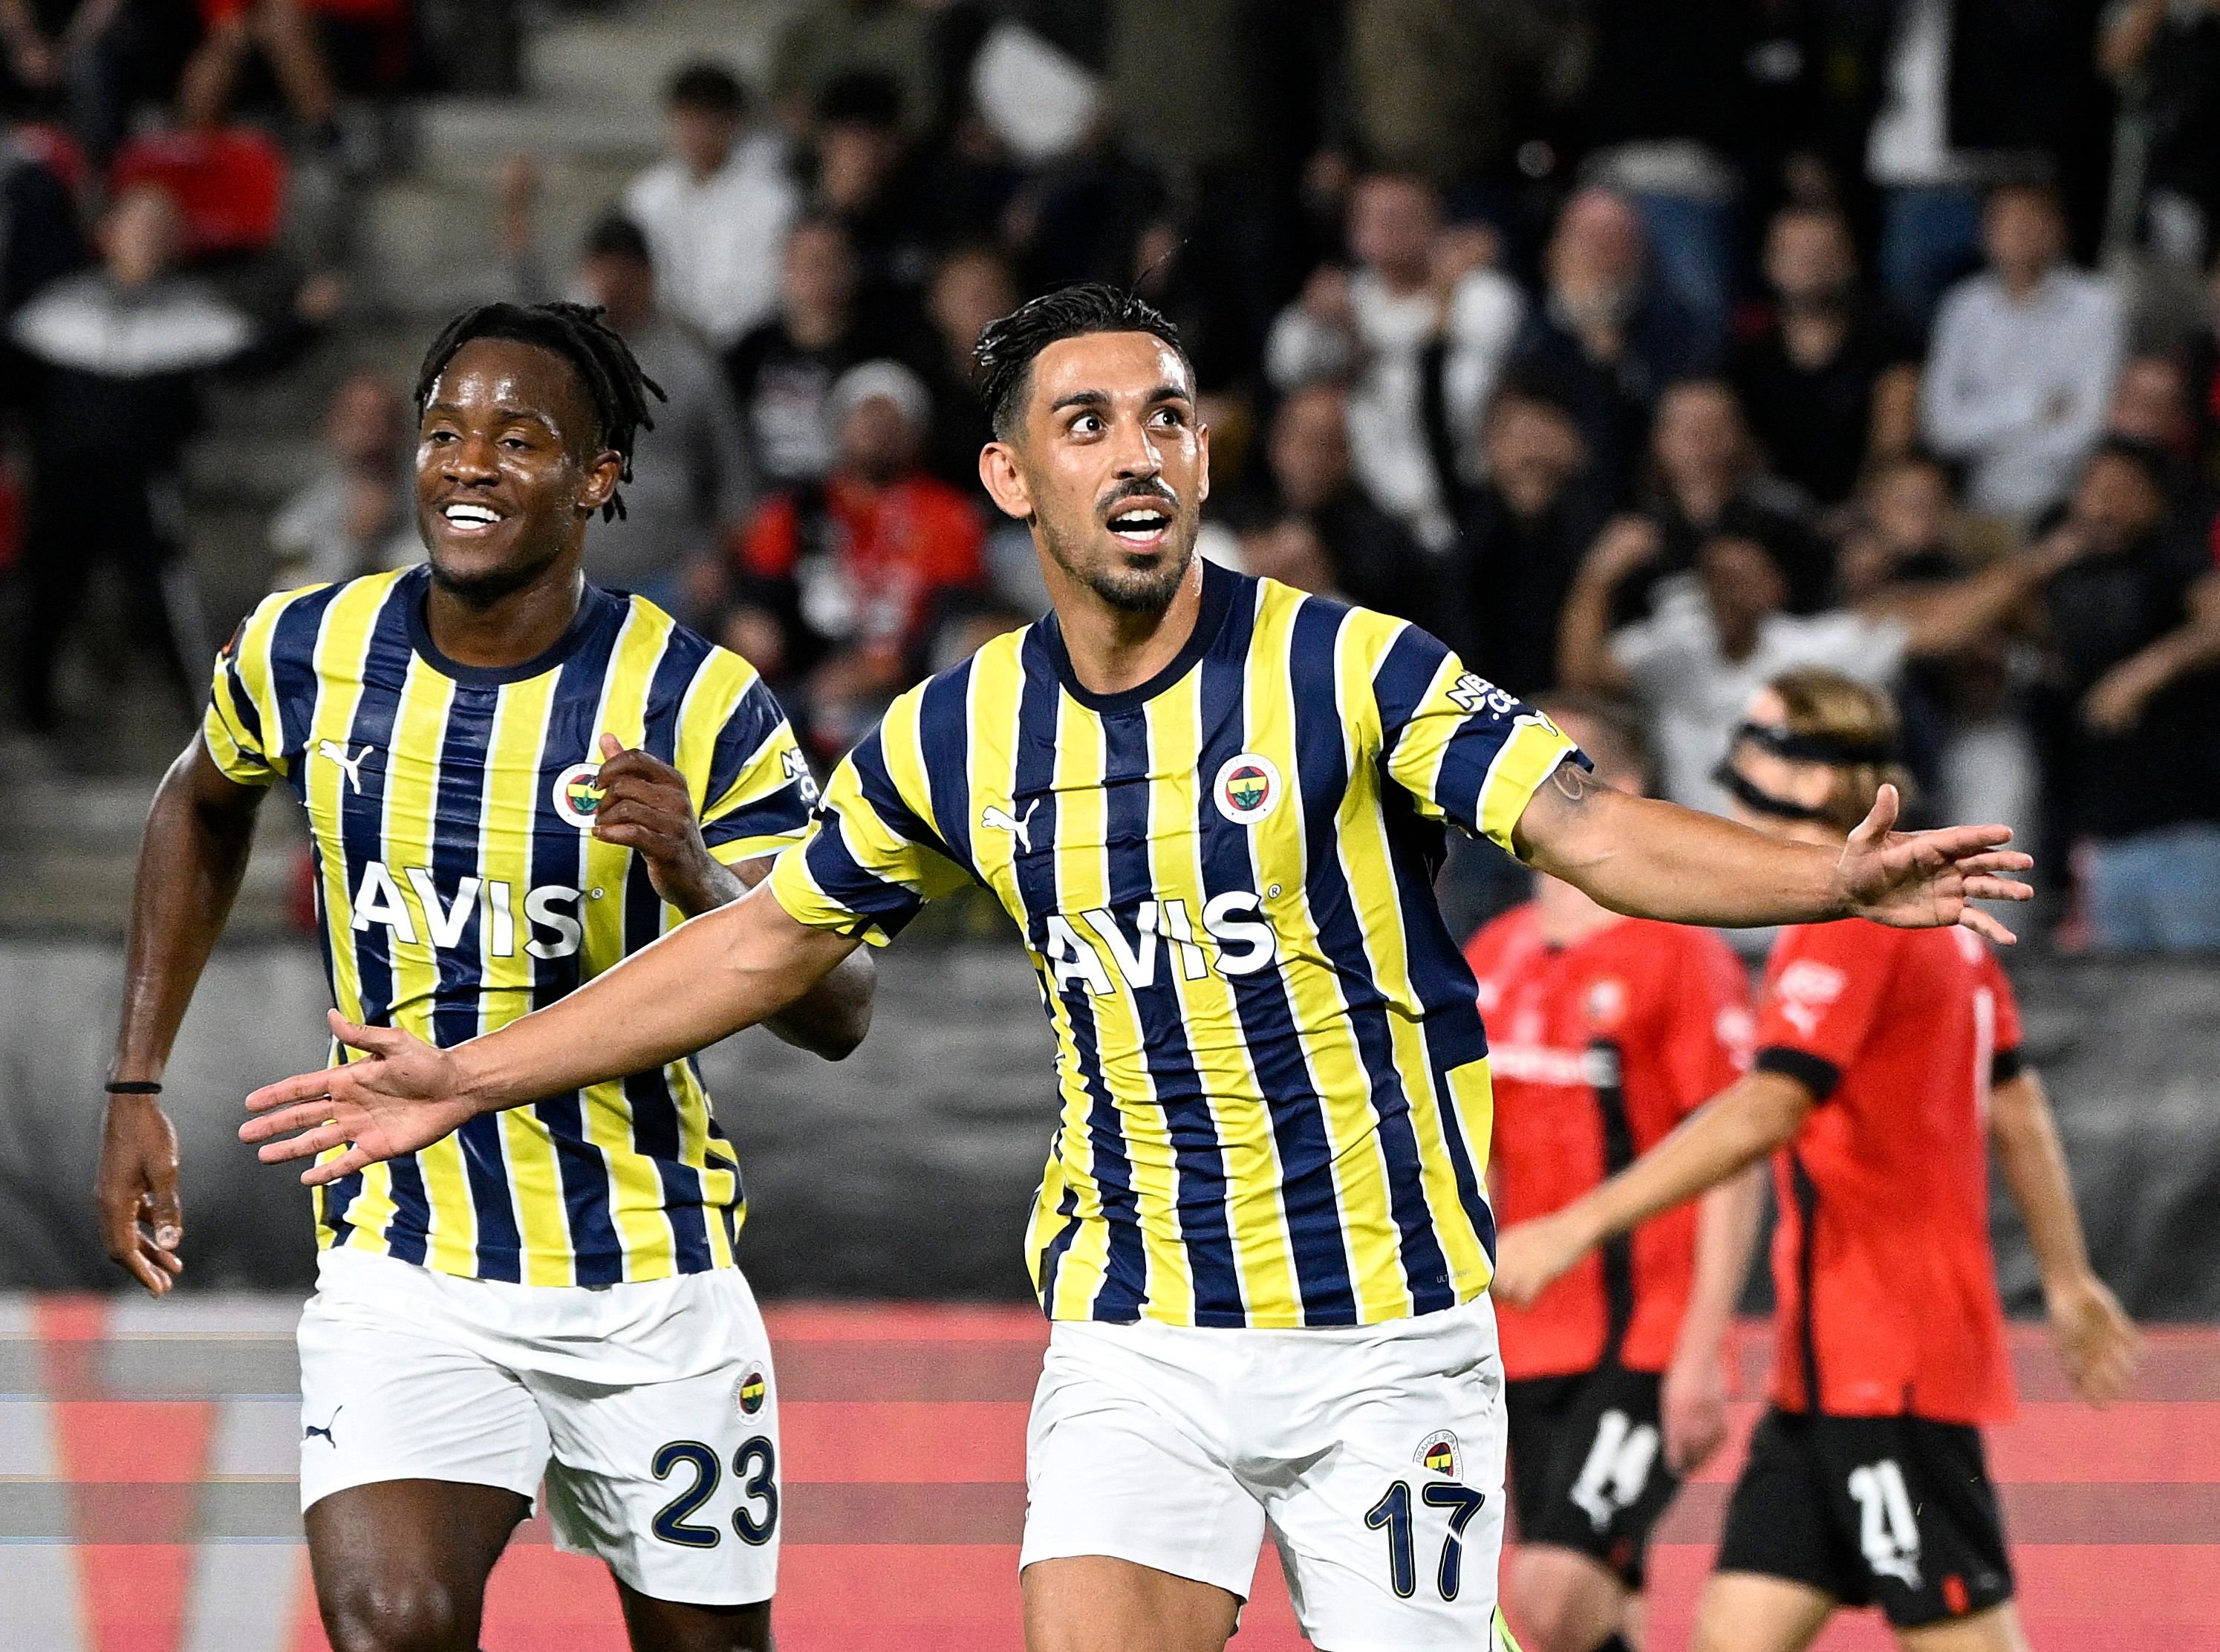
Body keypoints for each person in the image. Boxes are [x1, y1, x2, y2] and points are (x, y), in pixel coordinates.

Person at [238, 285, 2034, 1652]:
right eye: (1087, 420)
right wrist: (466, 1071)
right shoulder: (958, 730)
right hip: (1139, 1337)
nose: (1140, 449)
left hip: (1390, 1346)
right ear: (1014, 473)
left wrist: (1827, 874)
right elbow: (766, 942)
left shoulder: (1348, 668)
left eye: (1166, 416)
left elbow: (1589, 825)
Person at [93, 300, 874, 1652]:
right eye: (444, 430)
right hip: (407, 1259)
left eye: (519, 439)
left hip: (650, 1276)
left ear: (597, 478)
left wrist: (699, 873)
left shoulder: (696, 699)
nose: (467, 463)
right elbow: (200, 795)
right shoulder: (309, 648)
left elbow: (840, 1007)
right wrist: (136, 1074)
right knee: (391, 1619)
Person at [1492, 669, 2141, 1652]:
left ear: (1812, 775)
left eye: (1762, 738)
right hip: (1824, 1364)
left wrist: (1577, 1226)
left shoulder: (1857, 922)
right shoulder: (1927, 922)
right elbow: (2013, 1098)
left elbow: (1767, 1108)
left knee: (1963, 1634)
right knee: (1730, 1637)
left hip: (1883, 1359)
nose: (1737, 757)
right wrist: (2064, 1274)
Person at [1465, 696, 1763, 1652]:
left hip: (1645, 1336)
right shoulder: (1492, 957)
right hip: (1525, 1339)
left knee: (1547, 1600)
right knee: (1597, 1608)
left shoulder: (1680, 955)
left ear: (1617, 793)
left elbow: (1735, 1151)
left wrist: (1700, 1350)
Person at [8, 180, 337, 734]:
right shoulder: (59, 309)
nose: (147, 238)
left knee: (165, 605)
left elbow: (252, 361)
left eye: (161, 229)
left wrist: (305, 321)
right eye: (137, 224)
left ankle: (206, 724)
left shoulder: (192, 317)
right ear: (106, 233)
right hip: (61, 483)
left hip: (143, 487)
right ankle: (30, 720)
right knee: (47, 598)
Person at [1558, 516, 2090, 816]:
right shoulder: (1670, 655)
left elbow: (1943, 627)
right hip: (1699, 902)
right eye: (1716, 577)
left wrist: (2044, 559)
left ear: (1775, 589)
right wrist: (1599, 575)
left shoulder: (1812, 649)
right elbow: (1580, 675)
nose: (1727, 592)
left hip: (1795, 901)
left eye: (1743, 578)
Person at [720, 357, 986, 757]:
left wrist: (886, 668)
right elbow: (759, 596)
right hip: (808, 672)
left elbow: (956, 611)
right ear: (838, 427)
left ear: (918, 434)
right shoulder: (793, 511)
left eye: (892, 419)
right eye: (865, 416)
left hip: (916, 676)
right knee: (748, 639)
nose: (877, 430)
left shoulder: (947, 512)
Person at [1266, 170, 1525, 549]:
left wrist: (1365, 347)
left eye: (1403, 217)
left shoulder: (1478, 292)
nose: (1389, 229)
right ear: (1354, 230)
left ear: (1436, 223)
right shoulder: (1345, 297)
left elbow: (1465, 399)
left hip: (1463, 494)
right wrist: (1317, 316)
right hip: (1369, 506)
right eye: (1375, 217)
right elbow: (1285, 366)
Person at [2036, 438, 2220, 952]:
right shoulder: (2061, 573)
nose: (2104, 503)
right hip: (2103, 839)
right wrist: (2041, 559)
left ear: (2153, 499)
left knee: (2196, 1001)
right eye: (2093, 488)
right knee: (2114, 1006)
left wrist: (2146, 671)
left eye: (2121, 488)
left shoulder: (2173, 558)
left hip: (2189, 833)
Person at [564, 212, 755, 614]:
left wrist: (717, 561)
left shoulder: (690, 364)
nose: (613, 289)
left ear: (647, 277)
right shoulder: (562, 363)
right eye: (603, 273)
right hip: (570, 577)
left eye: (625, 276)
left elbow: (734, 474)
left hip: (670, 580)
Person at [1920, 178, 2125, 524]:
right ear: (1987, 234)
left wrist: (1983, 419)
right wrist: (2032, 407)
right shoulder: (1962, 306)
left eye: (2033, 220)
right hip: (1974, 499)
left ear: (2060, 231)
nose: (2021, 232)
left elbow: (2089, 426)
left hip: (2065, 501)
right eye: (2009, 222)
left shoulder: (2098, 306)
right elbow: (1940, 428)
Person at [1730, 204, 1922, 509]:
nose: (1809, 263)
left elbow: (1894, 443)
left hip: (1868, 509)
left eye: (1822, 251)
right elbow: (1741, 450)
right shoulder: (1746, 348)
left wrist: (1859, 512)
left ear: (1849, 261)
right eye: (1796, 253)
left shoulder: (1887, 339)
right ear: (1771, 264)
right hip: (1773, 509)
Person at [1433, 383, 1611, 696]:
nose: (1531, 451)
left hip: (1566, 701)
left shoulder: (1587, 521)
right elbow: (1438, 438)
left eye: (1542, 436)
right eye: (1517, 437)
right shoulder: (1474, 518)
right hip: (1485, 699)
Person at [621, 61, 800, 351]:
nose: (694, 133)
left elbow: (770, 294)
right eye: (686, 120)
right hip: (665, 348)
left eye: (705, 122)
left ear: (731, 123)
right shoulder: (647, 195)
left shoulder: (772, 200)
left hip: (746, 348)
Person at [1221, 380, 1433, 623]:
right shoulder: (1241, 508)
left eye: (1325, 444)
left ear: (1347, 454)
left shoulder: (1378, 541)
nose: (1312, 460)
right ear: (1276, 445)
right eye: (1300, 441)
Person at [267, 368, 418, 589]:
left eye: (383, 418)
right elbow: (295, 600)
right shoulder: (299, 522)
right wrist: (354, 541)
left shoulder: (436, 505)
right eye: (357, 420)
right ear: (332, 427)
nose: (371, 432)